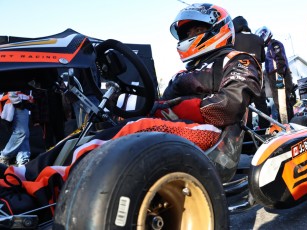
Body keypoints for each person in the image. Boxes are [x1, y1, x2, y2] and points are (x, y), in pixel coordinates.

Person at [0, 3, 262, 220]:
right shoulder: (183, 73)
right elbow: (160, 107)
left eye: (196, 29)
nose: (190, 35)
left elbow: (228, 108)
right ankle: (14, 183)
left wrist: (174, 107)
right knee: (84, 137)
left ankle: (35, 203)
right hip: (180, 132)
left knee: (134, 132)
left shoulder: (238, 60)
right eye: (187, 31)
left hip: (215, 136)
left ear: (217, 29)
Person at [233, 16, 270, 129]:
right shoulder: (258, 39)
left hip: (240, 75)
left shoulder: (233, 39)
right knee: (261, 104)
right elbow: (263, 58)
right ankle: (265, 130)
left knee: (244, 105)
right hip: (257, 76)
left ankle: (247, 132)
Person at [255, 26, 296, 123]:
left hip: (278, 75)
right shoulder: (270, 46)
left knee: (282, 102)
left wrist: (280, 74)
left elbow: (280, 58)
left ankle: (287, 125)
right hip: (275, 76)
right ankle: (284, 123)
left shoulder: (274, 44)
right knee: (279, 103)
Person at [0, 91, 34, 166]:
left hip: (22, 101)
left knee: (25, 133)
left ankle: (22, 158)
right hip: (16, 102)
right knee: (21, 132)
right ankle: (4, 155)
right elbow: (12, 87)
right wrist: (17, 102)